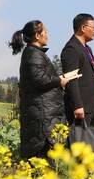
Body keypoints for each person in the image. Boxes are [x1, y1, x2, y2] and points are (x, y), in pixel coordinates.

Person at [9, 20, 68, 159]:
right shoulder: (34, 54)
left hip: (44, 112)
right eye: (45, 32)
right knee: (43, 157)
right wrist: (60, 80)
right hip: (42, 114)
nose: (47, 35)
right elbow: (39, 79)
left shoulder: (33, 53)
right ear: (37, 35)